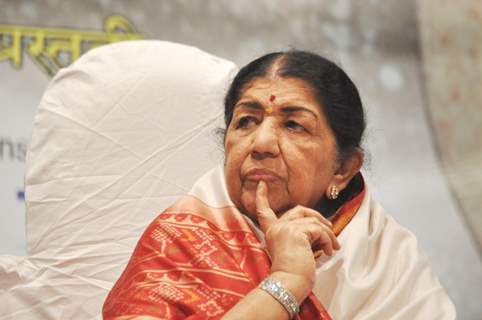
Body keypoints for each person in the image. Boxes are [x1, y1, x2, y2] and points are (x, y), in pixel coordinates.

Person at [102, 51, 456, 319]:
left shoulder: (391, 267)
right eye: (246, 121)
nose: (261, 143)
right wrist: (287, 281)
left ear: (344, 168)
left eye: (294, 126)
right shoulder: (180, 242)